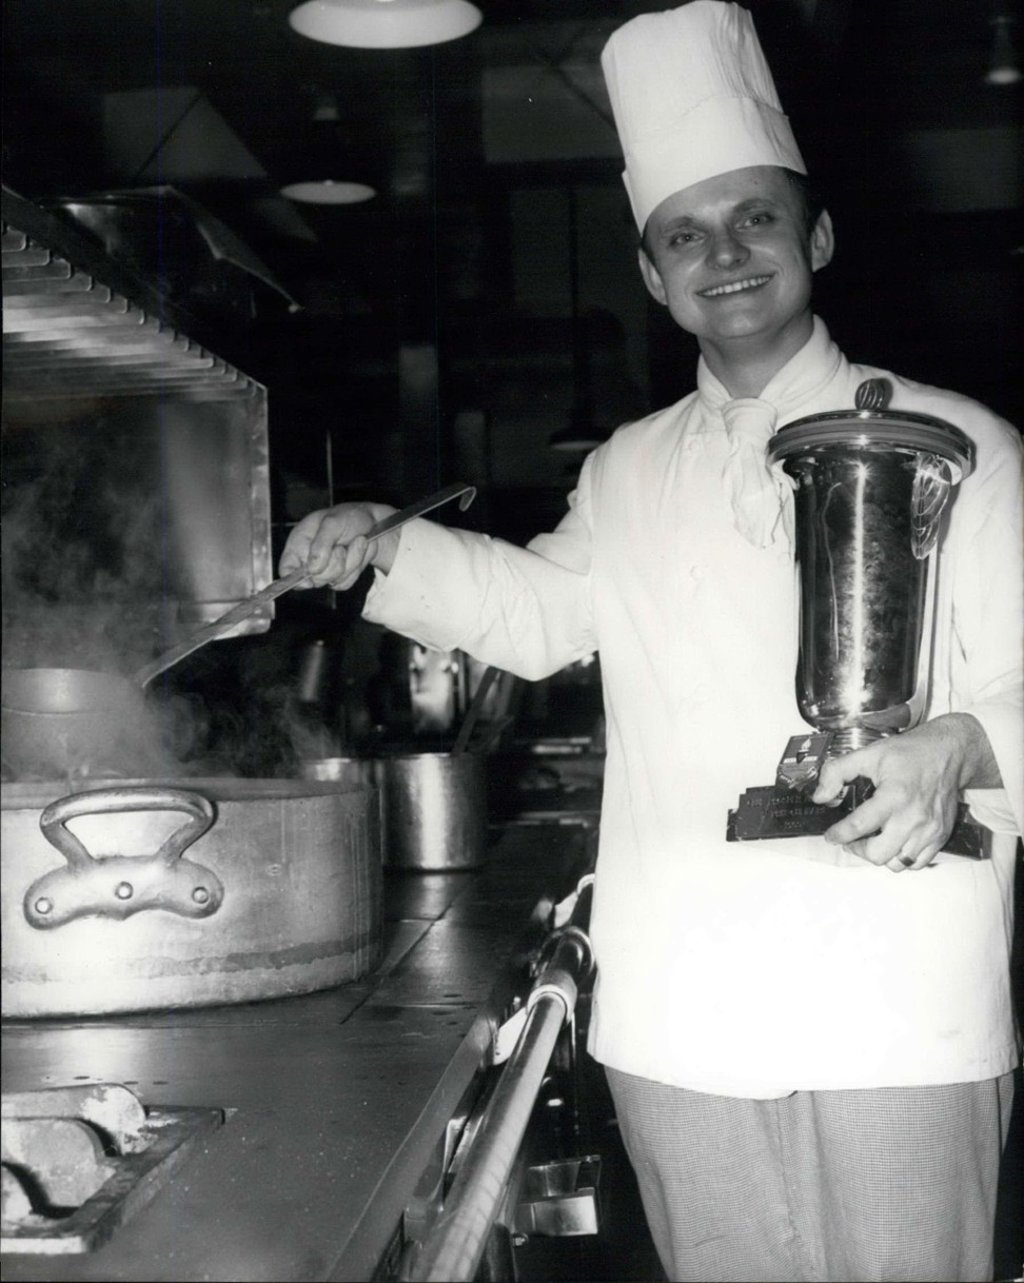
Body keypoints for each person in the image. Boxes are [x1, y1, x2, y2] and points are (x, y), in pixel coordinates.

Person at [281, 4, 1023, 1279]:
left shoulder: (961, 443)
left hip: (898, 988)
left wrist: (956, 742)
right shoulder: (624, 469)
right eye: (683, 233)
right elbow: (539, 612)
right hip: (684, 999)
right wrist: (383, 550)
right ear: (649, 273)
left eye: (754, 218)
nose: (721, 254)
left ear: (815, 237)